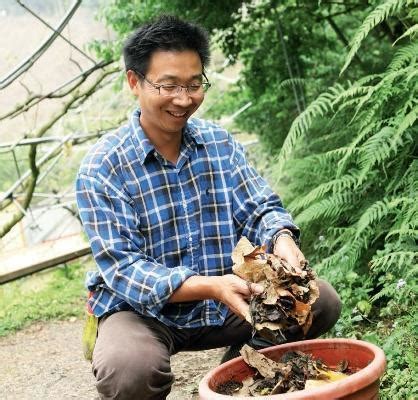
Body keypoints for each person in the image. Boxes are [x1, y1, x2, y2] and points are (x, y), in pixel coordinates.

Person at [76, 15, 341, 400]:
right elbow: (122, 268)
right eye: (168, 85)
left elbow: (259, 207)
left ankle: (230, 382)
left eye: (194, 84)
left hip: (228, 299)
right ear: (134, 82)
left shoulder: (219, 142)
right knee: (129, 371)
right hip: (143, 311)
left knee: (321, 302)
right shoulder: (102, 167)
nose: (183, 99)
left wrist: (281, 238)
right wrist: (210, 287)